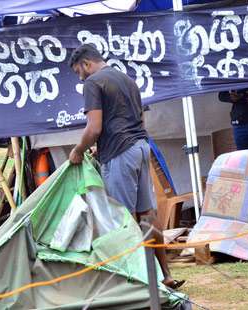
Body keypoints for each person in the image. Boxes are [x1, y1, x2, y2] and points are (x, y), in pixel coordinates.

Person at [67, 44, 182, 289]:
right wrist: (103, 145)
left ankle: (136, 282)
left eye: (80, 72)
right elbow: (139, 118)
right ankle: (165, 275)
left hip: (120, 153)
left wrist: (78, 150)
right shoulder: (126, 79)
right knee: (147, 215)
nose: (81, 78)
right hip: (141, 147)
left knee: (122, 219)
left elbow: (94, 127)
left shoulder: (94, 83)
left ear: (87, 64)